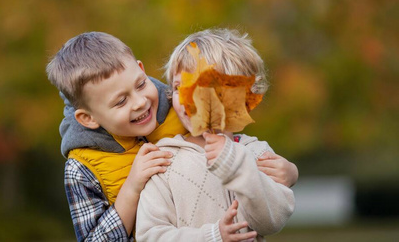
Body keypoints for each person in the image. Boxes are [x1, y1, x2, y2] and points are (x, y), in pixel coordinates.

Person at [46, 31, 298, 242]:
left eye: (141, 84)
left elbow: (222, 121)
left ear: (142, 70)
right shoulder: (82, 166)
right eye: (121, 101)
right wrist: (133, 186)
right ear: (88, 118)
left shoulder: (176, 108)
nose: (140, 102)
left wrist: (289, 173)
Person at [136, 28, 296, 242]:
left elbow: (272, 220)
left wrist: (237, 163)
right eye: (177, 88)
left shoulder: (256, 153)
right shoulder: (163, 160)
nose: (185, 98)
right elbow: (150, 236)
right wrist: (212, 236)